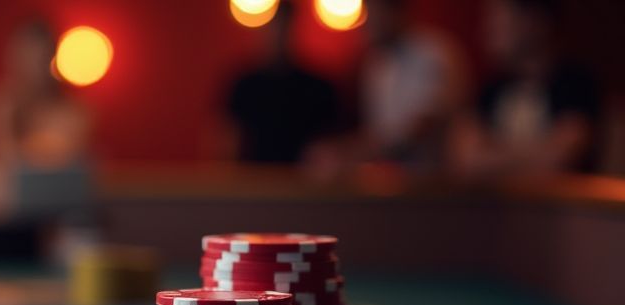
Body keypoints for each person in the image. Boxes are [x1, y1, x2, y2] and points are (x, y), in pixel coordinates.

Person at [0, 20, 94, 261]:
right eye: (25, 55)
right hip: (3, 227)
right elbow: (2, 163)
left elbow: (62, 158)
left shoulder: (72, 110)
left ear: (51, 57)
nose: (32, 66)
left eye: (39, 55)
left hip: (57, 227)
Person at [450, 0, 600, 178]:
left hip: (563, 204)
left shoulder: (577, 84)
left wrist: (492, 152)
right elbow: (467, 160)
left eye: (499, 21)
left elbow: (560, 159)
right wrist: (536, 152)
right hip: (498, 204)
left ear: (535, 22)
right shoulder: (490, 87)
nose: (487, 31)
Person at [220, 1, 339, 164]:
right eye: (275, 26)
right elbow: (227, 141)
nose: (279, 34)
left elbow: (331, 144)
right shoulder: (244, 85)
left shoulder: (318, 87)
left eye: (284, 26)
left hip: (304, 183)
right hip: (252, 181)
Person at [359, 0, 466, 171]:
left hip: (439, 179)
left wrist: (362, 150)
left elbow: (426, 124)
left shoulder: (434, 52)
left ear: (397, 12)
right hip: (392, 180)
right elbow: (379, 131)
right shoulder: (377, 65)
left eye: (375, 13)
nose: (368, 22)